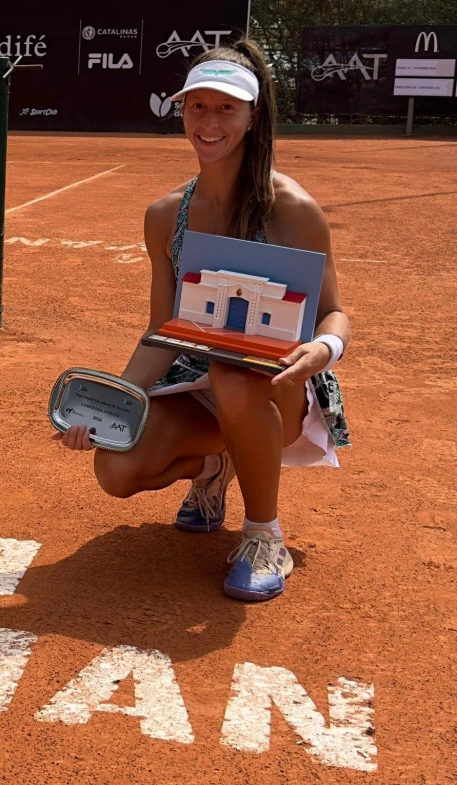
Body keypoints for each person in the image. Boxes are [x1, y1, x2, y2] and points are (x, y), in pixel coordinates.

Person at [53, 40, 351, 603]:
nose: (209, 123)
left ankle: (264, 536)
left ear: (253, 115)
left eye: (226, 109)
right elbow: (162, 330)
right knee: (117, 470)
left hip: (275, 381)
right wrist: (108, 401)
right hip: (195, 377)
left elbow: (335, 312)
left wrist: (324, 350)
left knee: (233, 377)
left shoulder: (293, 209)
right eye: (198, 107)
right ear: (182, 111)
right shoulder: (166, 215)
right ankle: (217, 466)